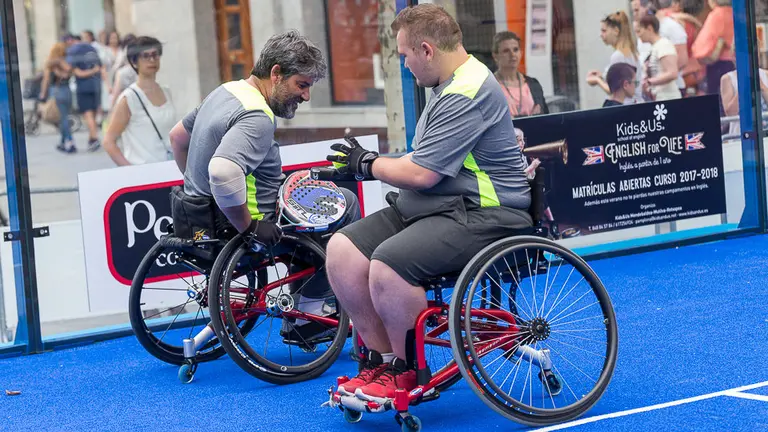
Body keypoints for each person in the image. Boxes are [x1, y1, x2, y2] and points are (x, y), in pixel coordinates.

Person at [325, 4, 532, 405]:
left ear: (426, 50)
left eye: (405, 55)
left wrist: (367, 165)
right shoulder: (446, 86)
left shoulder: (467, 91)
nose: (405, 65)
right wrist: (362, 165)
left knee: (388, 265)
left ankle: (407, 372)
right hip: (438, 207)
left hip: (486, 212)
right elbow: (419, 161)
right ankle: (382, 362)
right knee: (342, 251)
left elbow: (422, 174)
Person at [168, 30, 360, 341]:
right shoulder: (257, 116)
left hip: (199, 216)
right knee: (345, 204)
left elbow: (178, 137)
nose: (306, 96)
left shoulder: (225, 91)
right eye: (301, 85)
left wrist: (201, 192)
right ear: (276, 74)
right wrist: (249, 226)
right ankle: (309, 312)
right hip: (256, 221)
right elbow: (222, 172)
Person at [103, 37, 176, 166]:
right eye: (145, 56)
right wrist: (131, 171)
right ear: (134, 62)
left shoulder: (166, 91)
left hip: (169, 168)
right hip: (142, 170)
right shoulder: (129, 98)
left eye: (155, 55)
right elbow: (108, 141)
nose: (152, 60)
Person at [586, 11, 642, 104]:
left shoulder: (618, 56)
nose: (601, 35)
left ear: (616, 31)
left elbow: (614, 90)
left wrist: (597, 81)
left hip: (625, 104)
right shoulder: (631, 53)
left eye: (604, 31)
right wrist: (603, 76)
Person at [491, 31, 549, 117]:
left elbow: (546, 116)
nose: (512, 54)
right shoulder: (490, 87)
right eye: (506, 51)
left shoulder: (533, 83)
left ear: (521, 53)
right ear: (495, 56)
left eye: (515, 49)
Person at [692, 0, 735, 102]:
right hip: (734, 62)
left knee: (717, 101)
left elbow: (702, 46)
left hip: (718, 64)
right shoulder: (735, 13)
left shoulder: (717, 14)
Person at [67, 32, 102, 152]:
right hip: (96, 86)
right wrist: (94, 72)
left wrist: (90, 72)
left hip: (83, 87)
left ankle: (94, 139)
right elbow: (99, 67)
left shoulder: (74, 51)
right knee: (93, 114)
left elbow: (77, 72)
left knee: (88, 115)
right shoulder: (93, 49)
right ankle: (91, 139)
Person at [38, 42, 75, 153]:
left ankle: (70, 142)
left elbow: (46, 80)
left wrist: (42, 93)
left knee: (63, 118)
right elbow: (69, 72)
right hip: (67, 91)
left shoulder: (50, 64)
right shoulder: (67, 62)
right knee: (64, 116)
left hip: (56, 91)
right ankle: (63, 142)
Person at [636, 15, 681, 101]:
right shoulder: (655, 47)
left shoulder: (664, 44)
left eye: (639, 31)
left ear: (649, 28)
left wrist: (650, 82)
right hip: (659, 98)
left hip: (668, 98)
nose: (638, 35)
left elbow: (672, 72)